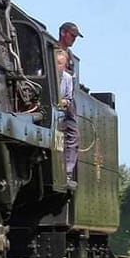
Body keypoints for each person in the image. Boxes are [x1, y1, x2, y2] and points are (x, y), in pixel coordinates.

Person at [55, 49, 78, 189]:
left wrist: (62, 102)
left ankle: (67, 172)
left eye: (61, 64)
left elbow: (68, 98)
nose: (59, 66)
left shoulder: (67, 78)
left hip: (62, 111)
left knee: (72, 136)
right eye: (57, 63)